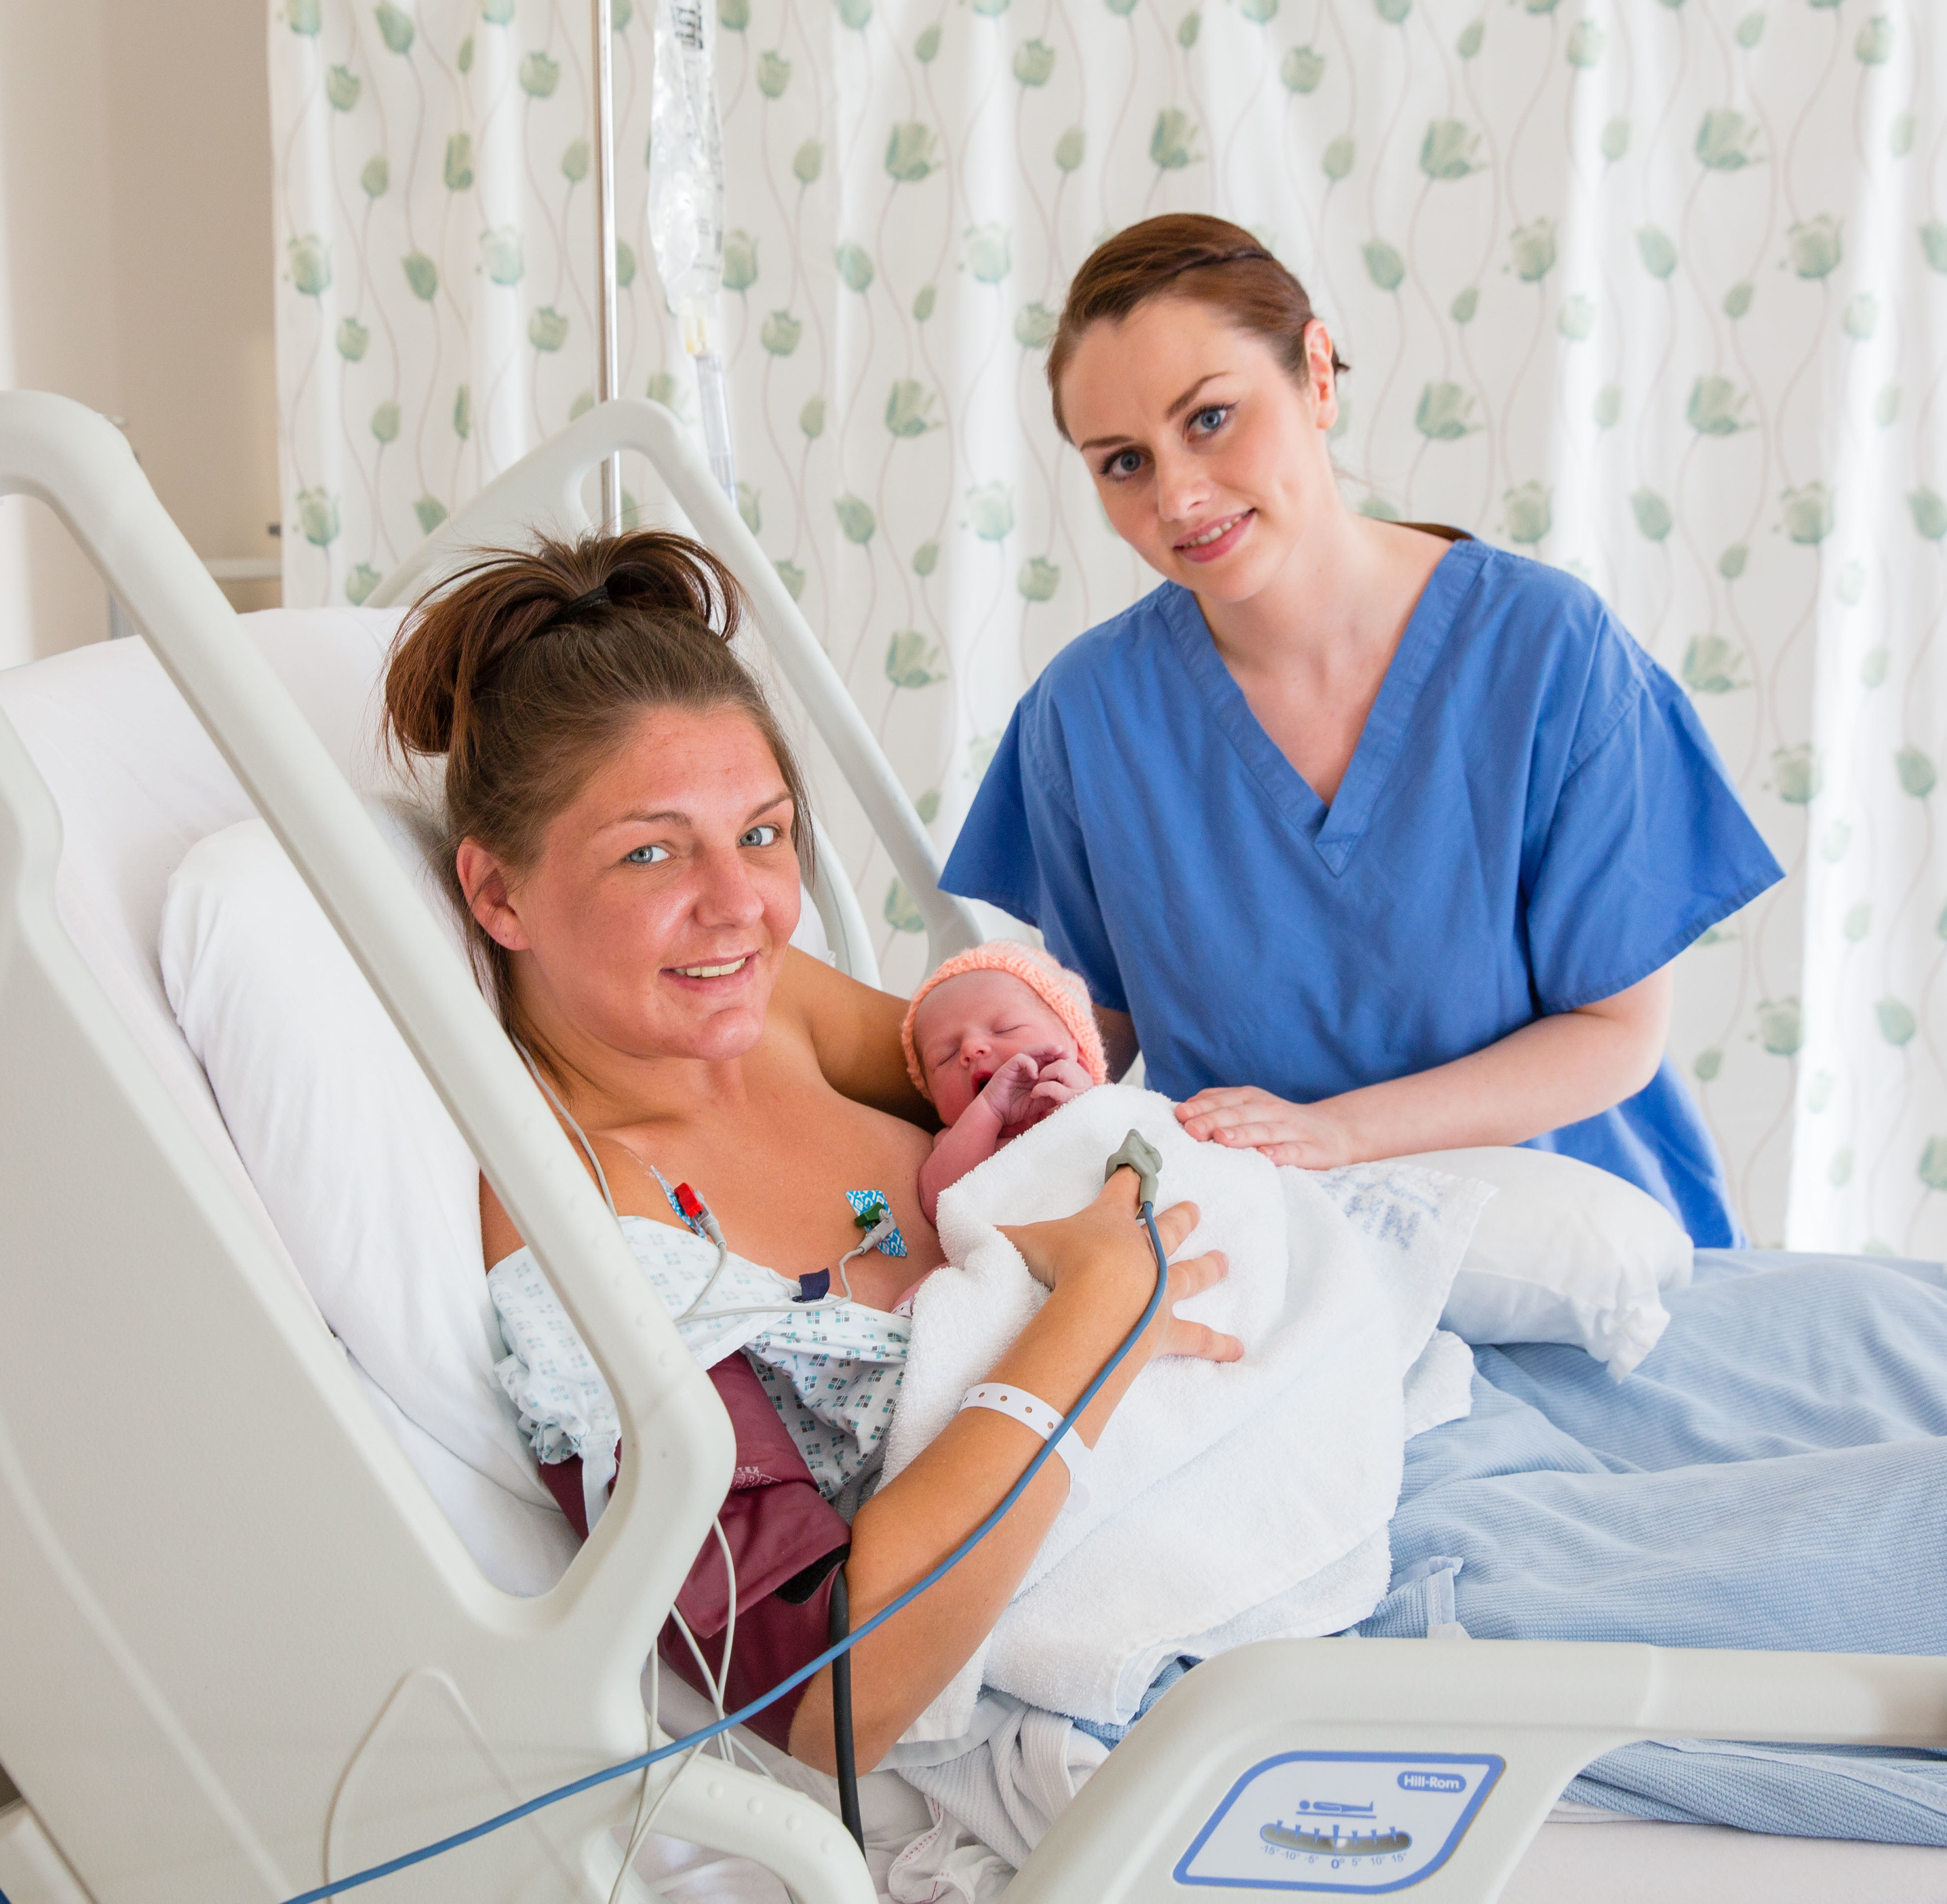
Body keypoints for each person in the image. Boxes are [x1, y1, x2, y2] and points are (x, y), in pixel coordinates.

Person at [379, 529, 1238, 1776]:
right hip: (1155, 1598)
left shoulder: (766, 1010)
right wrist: (1104, 1303)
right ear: (497, 895)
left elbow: (993, 1072)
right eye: (650, 851)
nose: (742, 907)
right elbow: (827, 1692)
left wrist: (1019, 1043)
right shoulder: (588, 1224)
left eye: (765, 832)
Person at [940, 214, 1783, 1247]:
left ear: (1319, 375)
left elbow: (1613, 1036)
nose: (1179, 494)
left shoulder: (1547, 651)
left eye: (1210, 419)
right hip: (1282, 1267)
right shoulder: (1088, 715)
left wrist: (1333, 1135)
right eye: (1122, 462)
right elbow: (1100, 1032)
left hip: (1572, 1251)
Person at [903, 941, 1107, 1224]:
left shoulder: (1100, 1103)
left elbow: (1129, 1147)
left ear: (1077, 1051)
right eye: (945, 1057)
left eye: (1006, 1029)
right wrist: (989, 1110)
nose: (971, 1048)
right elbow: (941, 1206)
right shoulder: (954, 1143)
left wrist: (1085, 1108)